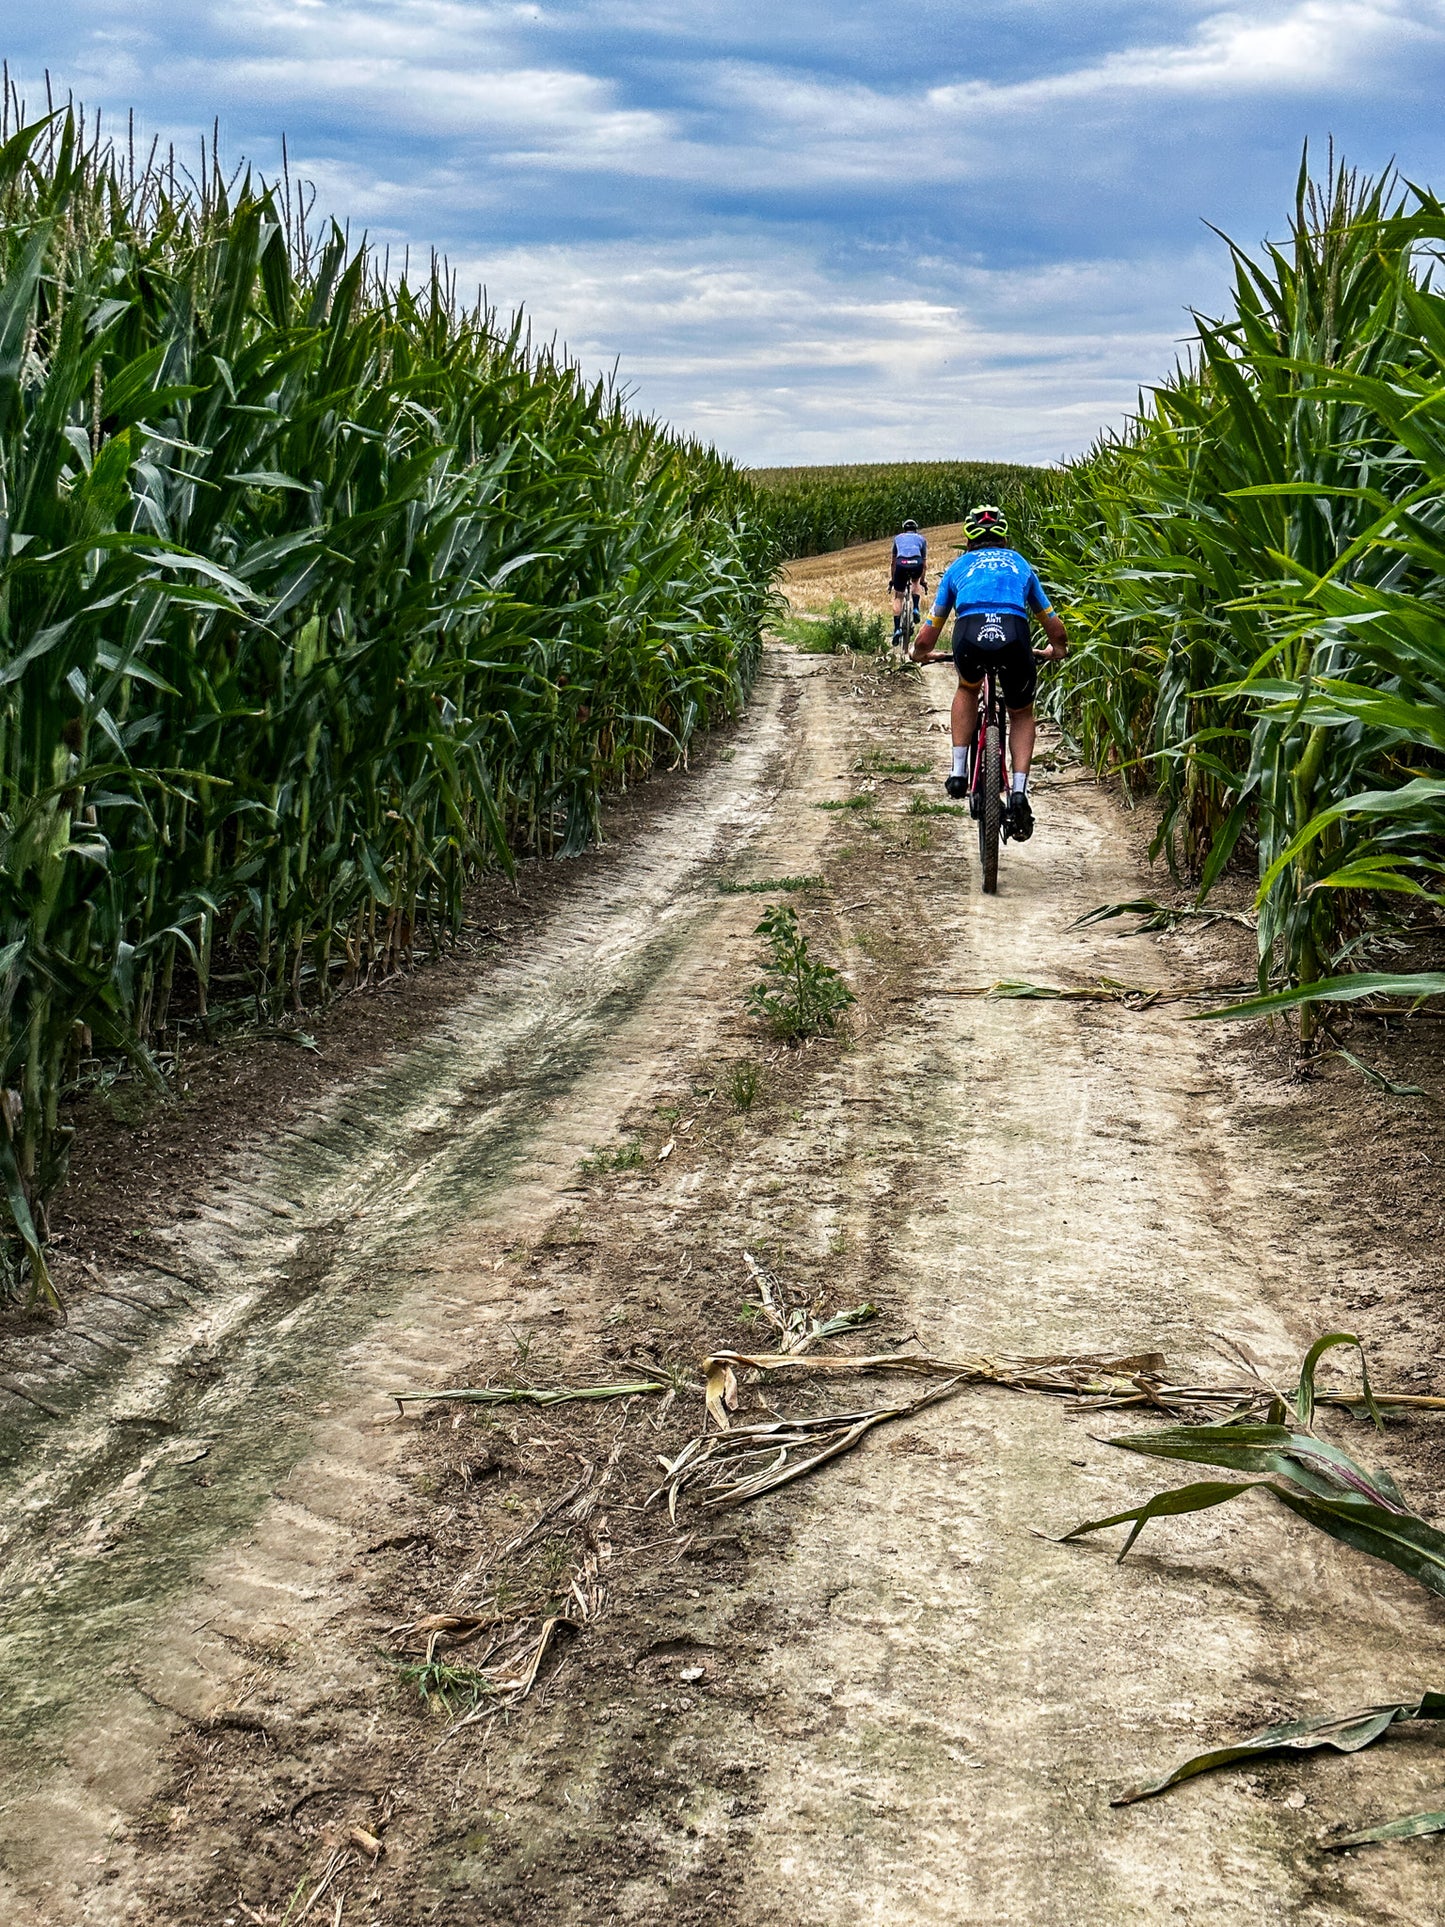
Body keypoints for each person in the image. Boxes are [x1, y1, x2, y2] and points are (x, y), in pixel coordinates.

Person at [909, 503, 1067, 842]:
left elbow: (929, 630)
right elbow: (1053, 624)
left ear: (968, 541)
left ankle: (957, 772)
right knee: (1021, 711)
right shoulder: (1019, 564)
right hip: (1014, 636)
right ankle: (1020, 792)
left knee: (967, 688)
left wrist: (921, 653)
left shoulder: (957, 568)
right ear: (1005, 538)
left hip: (969, 635)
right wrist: (1059, 650)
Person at [889, 520, 928, 644]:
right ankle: (915, 608)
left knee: (898, 596)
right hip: (917, 562)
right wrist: (923, 581)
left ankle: (896, 629)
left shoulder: (897, 538)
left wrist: (893, 580)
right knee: (915, 582)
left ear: (904, 529)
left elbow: (893, 562)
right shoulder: (921, 539)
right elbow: (925, 564)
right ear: (916, 529)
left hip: (901, 563)